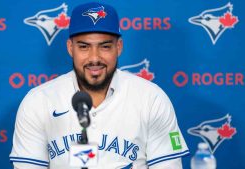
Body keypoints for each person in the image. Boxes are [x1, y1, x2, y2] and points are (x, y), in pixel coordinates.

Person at [10, 2, 189, 169]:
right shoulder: (38, 102)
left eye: (104, 47)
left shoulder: (152, 99)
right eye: (84, 47)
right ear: (70, 48)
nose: (94, 58)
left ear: (118, 47)